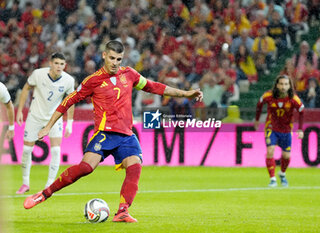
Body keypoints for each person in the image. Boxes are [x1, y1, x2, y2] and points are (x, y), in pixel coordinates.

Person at [23, 41, 203, 223]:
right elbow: (67, 101)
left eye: (119, 59)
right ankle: (45, 194)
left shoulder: (129, 74)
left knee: (135, 166)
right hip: (104, 134)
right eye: (111, 58)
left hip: (126, 135)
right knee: (85, 168)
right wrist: (48, 126)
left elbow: (155, 87)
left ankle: (122, 212)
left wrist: (186, 93)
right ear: (104, 56)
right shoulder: (92, 80)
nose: (115, 62)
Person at [16, 53, 75, 194]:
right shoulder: (38, 74)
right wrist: (19, 111)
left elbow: (71, 101)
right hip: (35, 116)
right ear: (50, 63)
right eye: (56, 63)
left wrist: (70, 123)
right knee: (26, 150)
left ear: (65, 65)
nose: (59, 66)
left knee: (55, 150)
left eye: (62, 64)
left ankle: (49, 185)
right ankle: (25, 183)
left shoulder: (68, 80)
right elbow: (25, 89)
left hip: (54, 118)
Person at [254, 75, 304, 187]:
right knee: (270, 150)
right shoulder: (269, 96)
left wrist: (300, 129)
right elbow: (259, 105)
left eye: (286, 84)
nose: (283, 87)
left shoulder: (294, 99)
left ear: (290, 86)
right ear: (277, 85)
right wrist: (257, 120)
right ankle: (272, 179)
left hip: (286, 130)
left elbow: (302, 112)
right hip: (271, 128)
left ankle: (282, 173)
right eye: (281, 84)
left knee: (286, 156)